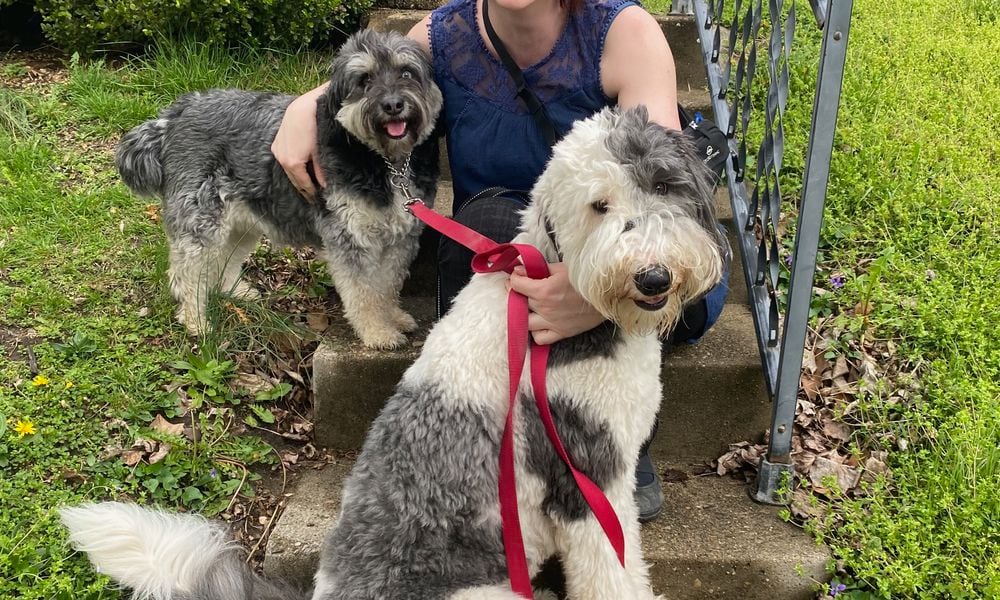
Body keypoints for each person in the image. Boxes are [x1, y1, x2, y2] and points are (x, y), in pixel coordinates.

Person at [272, 0, 729, 523]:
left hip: (619, 238)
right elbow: (375, 72)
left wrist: (591, 298)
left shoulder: (624, 34)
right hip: (509, 245)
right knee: (484, 227)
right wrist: (303, 108)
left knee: (657, 279)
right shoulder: (448, 35)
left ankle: (607, 435)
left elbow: (660, 191)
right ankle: (497, 435)